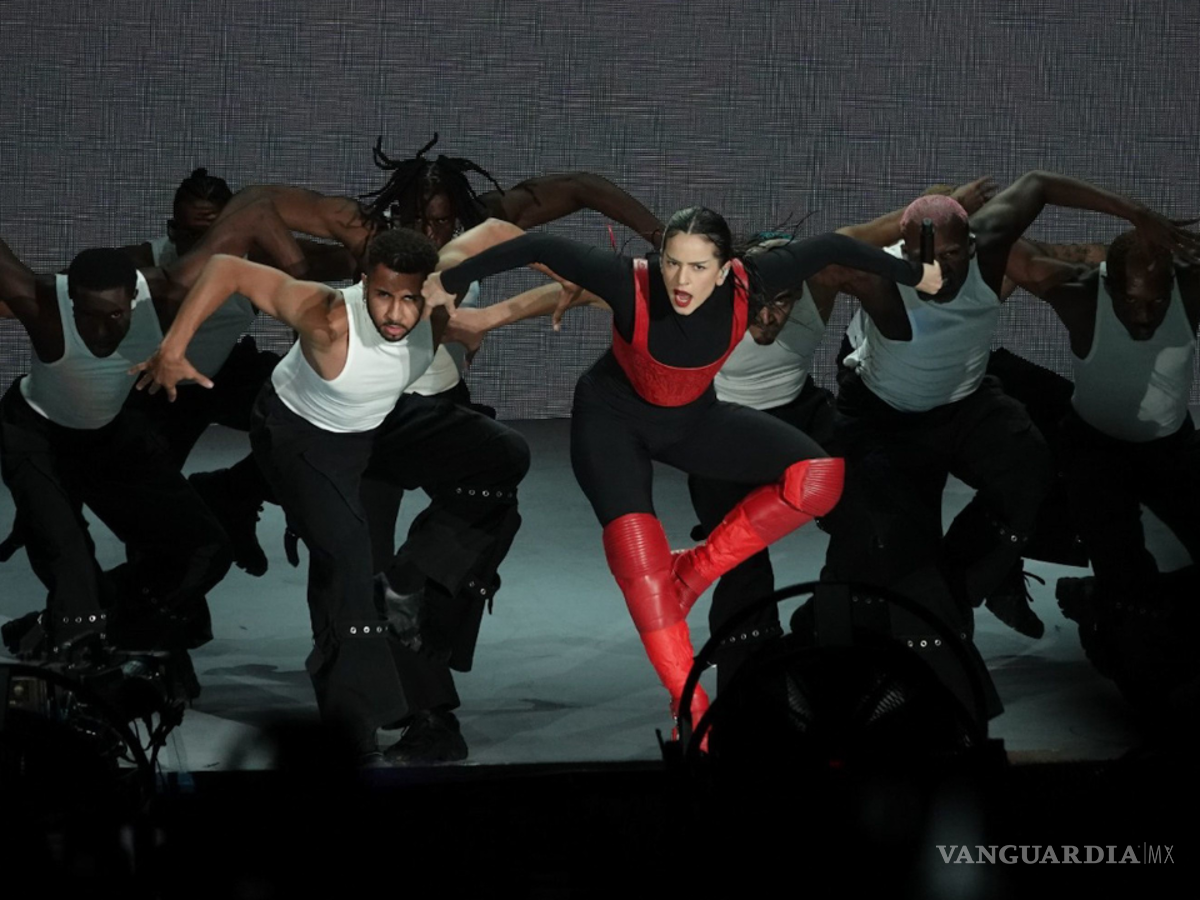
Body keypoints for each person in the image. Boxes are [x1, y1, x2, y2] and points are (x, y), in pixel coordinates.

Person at [423, 207, 940, 736]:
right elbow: (538, 248)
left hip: (692, 421)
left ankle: (692, 571)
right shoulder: (632, 281)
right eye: (672, 263)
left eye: (696, 268)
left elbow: (836, 244)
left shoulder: (752, 281)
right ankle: (689, 708)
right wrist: (446, 281)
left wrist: (919, 274)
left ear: (724, 270)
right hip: (612, 425)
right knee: (640, 565)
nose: (680, 280)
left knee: (820, 478)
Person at [133, 226, 531, 764]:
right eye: (383, 295)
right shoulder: (325, 314)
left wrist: (598, 278)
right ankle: (353, 730)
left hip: (379, 419)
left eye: (408, 298)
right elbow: (228, 268)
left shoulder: (439, 295)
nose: (395, 312)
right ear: (365, 284)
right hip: (300, 440)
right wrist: (172, 348)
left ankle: (411, 591)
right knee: (346, 565)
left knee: (502, 456)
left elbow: (501, 233)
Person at [820, 171, 1199, 721]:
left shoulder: (993, 245)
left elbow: (1041, 185)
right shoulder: (881, 272)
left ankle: (981, 579)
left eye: (949, 255)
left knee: (1032, 468)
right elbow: (826, 254)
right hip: (886, 416)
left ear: (973, 245)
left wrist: (1134, 215)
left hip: (966, 401)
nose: (934, 271)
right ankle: (856, 649)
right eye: (919, 256)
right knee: (893, 547)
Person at [0, 199, 303, 662]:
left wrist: (301, 288)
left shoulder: (163, 291)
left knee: (205, 550)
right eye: (90, 317)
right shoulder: (40, 303)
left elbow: (255, 215)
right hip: (34, 437)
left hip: (109, 435)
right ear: (69, 301)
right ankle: (77, 624)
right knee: (73, 574)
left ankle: (85, 627)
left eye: (116, 317)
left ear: (135, 300)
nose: (103, 331)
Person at [1007, 228, 1200, 712]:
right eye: (1131, 302)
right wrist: (1120, 221)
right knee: (1128, 594)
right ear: (1108, 284)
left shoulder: (1191, 290)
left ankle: (1102, 597)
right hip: (1095, 452)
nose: (1143, 317)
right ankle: (1103, 609)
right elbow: (1006, 243)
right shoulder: (1080, 296)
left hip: (1170, 447)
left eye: (1155, 303)